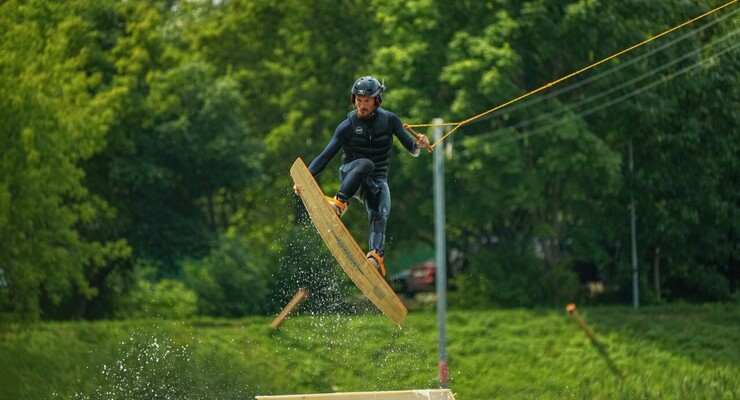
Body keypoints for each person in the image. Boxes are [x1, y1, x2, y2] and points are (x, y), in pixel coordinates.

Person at [294, 76, 430, 276]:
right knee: (366, 163)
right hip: (351, 175)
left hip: (376, 181)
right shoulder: (347, 125)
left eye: (366, 101)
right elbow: (325, 156)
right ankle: (338, 205)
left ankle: (374, 257)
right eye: (358, 100)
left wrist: (419, 144)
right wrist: (305, 180)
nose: (362, 105)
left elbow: (412, 149)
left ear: (377, 101)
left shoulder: (390, 120)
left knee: (381, 212)